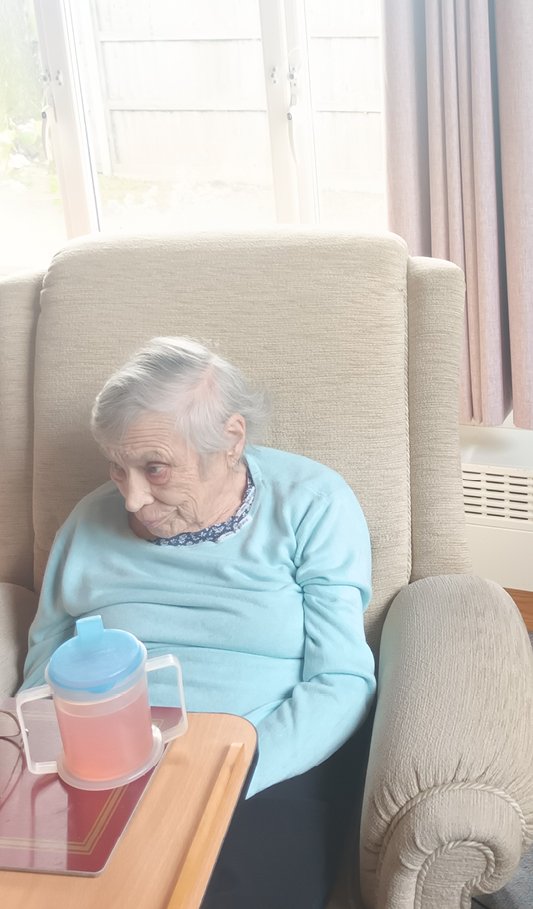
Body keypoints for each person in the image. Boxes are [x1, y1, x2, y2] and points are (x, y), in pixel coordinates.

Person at [21, 337, 376, 909]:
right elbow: (46, 661)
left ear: (230, 440)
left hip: (262, 766)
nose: (133, 499)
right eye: (118, 467)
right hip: (103, 768)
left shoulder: (312, 503)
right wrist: (53, 770)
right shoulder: (89, 521)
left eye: (155, 468)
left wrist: (231, 770)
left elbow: (343, 681)